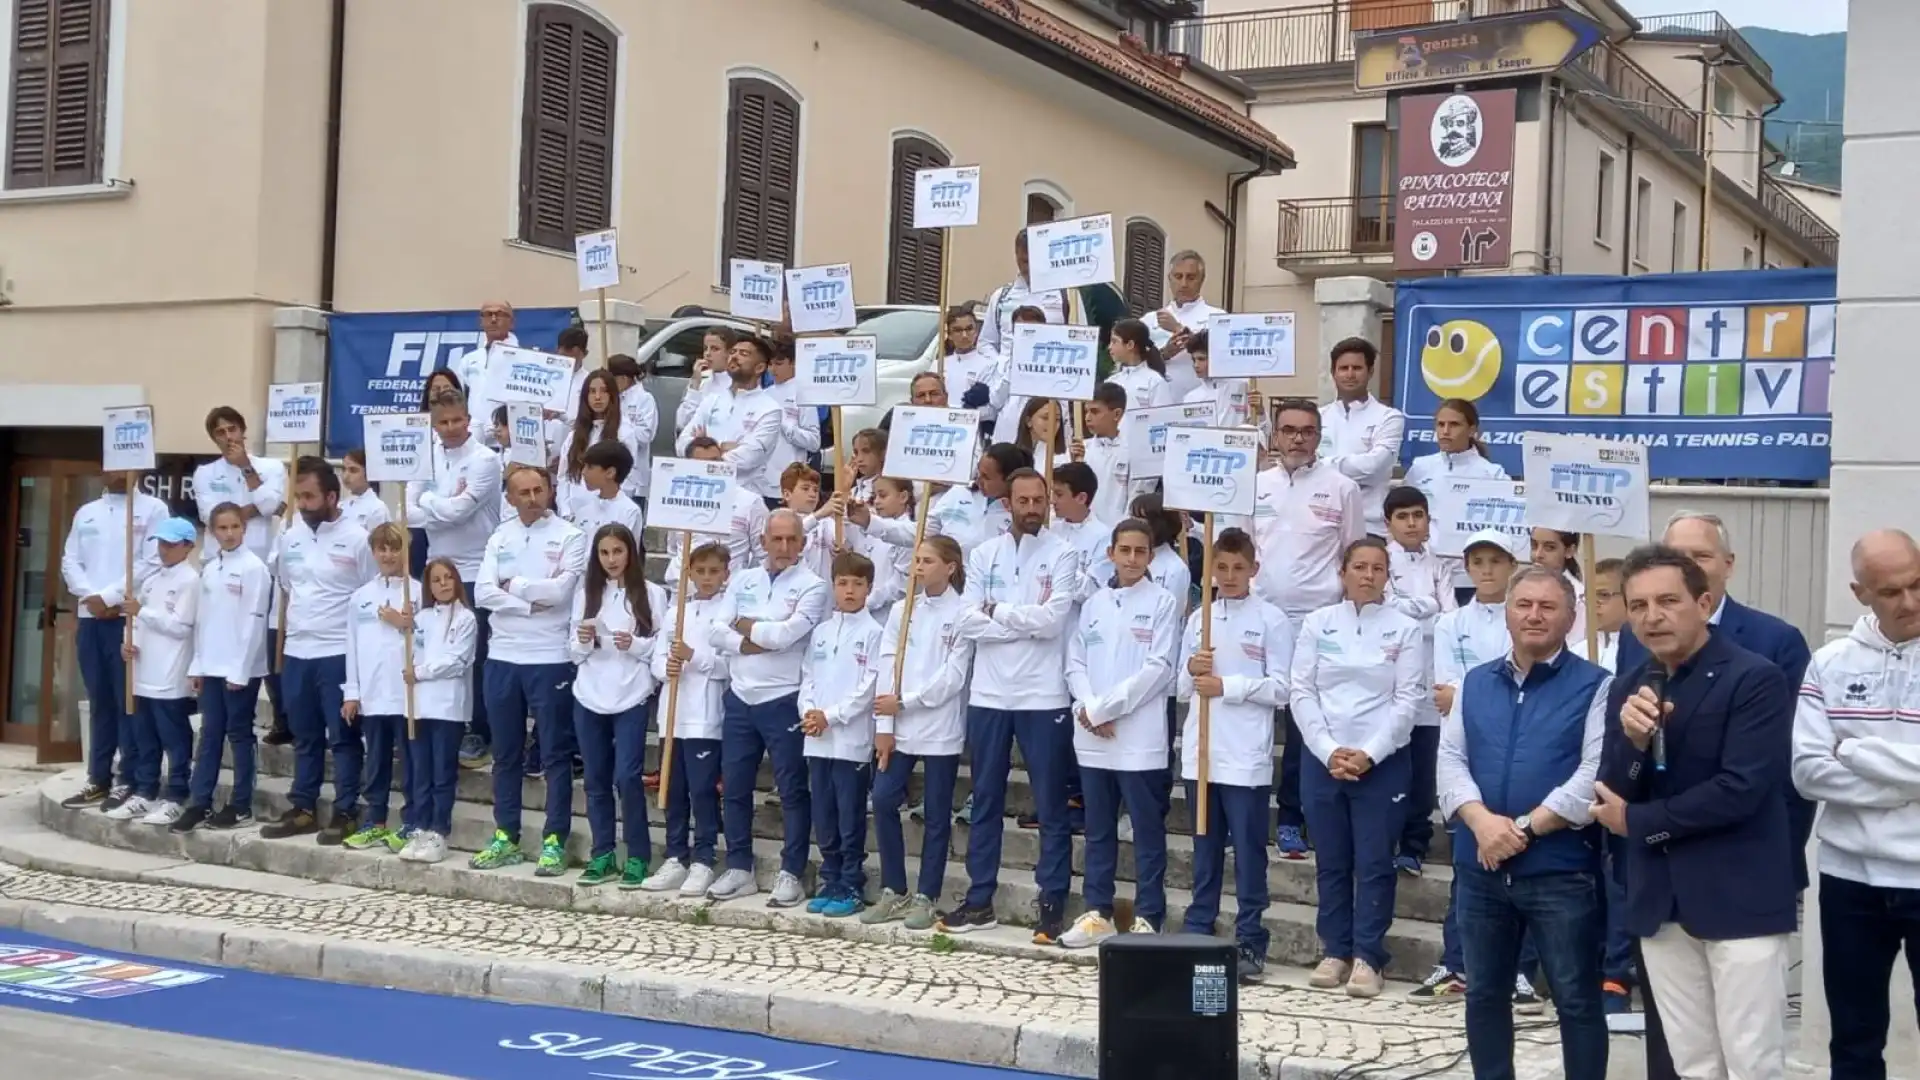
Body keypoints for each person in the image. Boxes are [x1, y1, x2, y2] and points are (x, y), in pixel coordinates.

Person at [1593, 545, 1797, 1080]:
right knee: (1693, 1064)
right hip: (1660, 901)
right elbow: (1612, 792)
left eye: (1667, 601)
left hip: (1739, 898)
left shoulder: (1755, 678)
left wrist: (1638, 823)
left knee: (1752, 1062)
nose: (1651, 617)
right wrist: (1634, 745)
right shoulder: (1628, 685)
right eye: (1637, 605)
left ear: (1703, 602)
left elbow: (1741, 789)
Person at [1440, 566, 1612, 1080]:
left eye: (1547, 606)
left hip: (1560, 871)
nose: (1534, 615)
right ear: (1507, 613)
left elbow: (1592, 773)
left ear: (1571, 616)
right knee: (1485, 995)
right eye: (1523, 605)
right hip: (1480, 869)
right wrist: (1481, 823)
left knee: (1576, 999)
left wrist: (1522, 829)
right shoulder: (1474, 683)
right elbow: (1450, 760)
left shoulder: (1597, 686)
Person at [1793, 528, 1920, 1080]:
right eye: (1891, 591)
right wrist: (1907, 778)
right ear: (1859, 592)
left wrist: (1857, 751)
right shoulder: (1830, 663)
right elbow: (1807, 772)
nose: (1909, 602)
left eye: (1918, 585)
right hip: (1850, 878)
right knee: (1853, 1040)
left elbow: (1835, 762)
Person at [939, 468, 1079, 942]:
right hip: (990, 695)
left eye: (1040, 499)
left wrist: (996, 612)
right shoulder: (984, 554)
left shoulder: (1063, 553)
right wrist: (1017, 621)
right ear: (1009, 505)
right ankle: (980, 899)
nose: (1033, 508)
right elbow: (965, 620)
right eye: (1023, 500)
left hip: (1044, 695)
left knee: (1051, 806)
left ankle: (1052, 900)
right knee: (986, 800)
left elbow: (1055, 621)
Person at [1289, 536, 1424, 998]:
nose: (1368, 575)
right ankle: (1335, 949)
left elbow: (1408, 699)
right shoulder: (1317, 623)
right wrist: (1329, 750)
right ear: (1342, 571)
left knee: (1373, 861)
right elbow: (1301, 691)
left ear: (1388, 575)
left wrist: (1369, 752)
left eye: (1378, 568)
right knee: (1330, 859)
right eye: (1359, 567)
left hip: (1381, 763)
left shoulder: (1403, 628)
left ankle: (1369, 955)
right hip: (1323, 759)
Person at [1414, 529, 1539, 1007]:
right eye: (1477, 562)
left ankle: (1521, 970)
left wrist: (1468, 697)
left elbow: (1517, 682)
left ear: (1511, 566)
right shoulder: (1450, 623)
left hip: (1519, 751)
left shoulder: (1521, 618)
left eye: (1495, 561)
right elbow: (1446, 692)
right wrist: (1469, 698)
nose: (1486, 571)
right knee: (1468, 864)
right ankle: (1456, 962)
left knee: (1522, 861)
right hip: (1465, 752)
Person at [1250, 398, 1365, 859]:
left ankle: (1293, 817)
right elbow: (1236, 545)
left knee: (1304, 723)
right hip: (1259, 617)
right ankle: (1248, 815)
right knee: (1253, 716)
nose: (1298, 438)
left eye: (1307, 431)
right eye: (1289, 430)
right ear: (1275, 435)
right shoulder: (1253, 485)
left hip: (1317, 620)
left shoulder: (1342, 488)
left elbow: (1352, 553)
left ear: (1320, 436)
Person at [1177, 527, 1293, 983]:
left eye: (1237, 568)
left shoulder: (1271, 619)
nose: (1228, 576)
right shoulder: (1199, 618)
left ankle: (1250, 937)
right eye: (1220, 568)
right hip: (1202, 752)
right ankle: (1199, 924)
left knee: (1248, 851)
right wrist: (1192, 669)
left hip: (1245, 754)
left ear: (1253, 570)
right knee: (1204, 845)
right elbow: (1182, 689)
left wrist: (1230, 686)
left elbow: (1281, 689)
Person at [1059, 518, 1179, 948]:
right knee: (1098, 829)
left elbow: (1158, 668)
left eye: (1140, 552)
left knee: (1147, 830)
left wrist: (1104, 707)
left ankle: (1149, 914)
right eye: (1124, 550)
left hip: (1138, 737)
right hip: (1092, 736)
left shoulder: (1162, 602)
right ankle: (1098, 911)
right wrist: (1086, 707)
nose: (1131, 559)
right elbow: (1075, 661)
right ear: (1110, 553)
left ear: (1151, 556)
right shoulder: (1094, 605)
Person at [707, 510, 829, 905]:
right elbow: (715, 630)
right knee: (736, 787)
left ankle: (791, 871)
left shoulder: (813, 586)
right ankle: (739, 867)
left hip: (784, 698)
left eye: (792, 540)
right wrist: (754, 637)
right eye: (776, 540)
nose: (784, 548)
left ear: (803, 542)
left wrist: (744, 627)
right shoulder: (743, 579)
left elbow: (789, 635)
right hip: (741, 696)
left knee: (793, 789)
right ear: (762, 542)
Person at [472, 466, 588, 875]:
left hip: (550, 656)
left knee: (555, 755)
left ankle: (554, 841)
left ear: (551, 491)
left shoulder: (570, 536)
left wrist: (513, 585)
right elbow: (481, 592)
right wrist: (527, 600)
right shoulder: (499, 535)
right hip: (503, 657)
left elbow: (561, 593)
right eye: (523, 492)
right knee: (505, 755)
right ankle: (506, 835)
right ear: (510, 497)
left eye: (539, 489)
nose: (533, 497)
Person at [261, 457, 378, 842]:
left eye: (310, 496)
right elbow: (287, 584)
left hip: (338, 652)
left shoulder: (358, 537)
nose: (304, 503)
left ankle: (346, 809)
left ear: (331, 495)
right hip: (297, 650)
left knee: (342, 738)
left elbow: (369, 592)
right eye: (298, 497)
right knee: (304, 734)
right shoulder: (290, 537)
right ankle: (304, 806)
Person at [866, 535, 974, 929]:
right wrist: (884, 724)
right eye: (916, 560)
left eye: (928, 560)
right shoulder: (901, 609)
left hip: (939, 725)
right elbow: (886, 663)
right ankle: (895, 888)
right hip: (899, 723)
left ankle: (928, 894)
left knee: (937, 812)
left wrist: (907, 702)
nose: (919, 567)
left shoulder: (964, 611)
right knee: (882, 797)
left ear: (950, 567)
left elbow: (953, 677)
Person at [57, 471, 168, 813]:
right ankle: (98, 777)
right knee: (100, 700)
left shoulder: (153, 509)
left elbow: (149, 562)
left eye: (126, 465)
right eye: (112, 464)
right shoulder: (87, 512)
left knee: (128, 702)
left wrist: (109, 597)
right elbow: (69, 560)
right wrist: (91, 596)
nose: (118, 472)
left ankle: (129, 779)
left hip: (127, 617)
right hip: (91, 619)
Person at [405, 392, 503, 769]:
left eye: (456, 421)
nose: (450, 429)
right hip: (436, 566)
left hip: (477, 570)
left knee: (474, 657)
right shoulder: (425, 455)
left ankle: (479, 730)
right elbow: (410, 513)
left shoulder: (485, 460)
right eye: (442, 422)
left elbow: (461, 513)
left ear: (468, 418)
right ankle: (440, 720)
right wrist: (437, 504)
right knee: (434, 649)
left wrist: (429, 499)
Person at [570, 523, 666, 888]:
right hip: (589, 695)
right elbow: (573, 652)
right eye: (604, 553)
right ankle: (603, 852)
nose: (611, 560)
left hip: (631, 695)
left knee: (628, 776)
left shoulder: (652, 594)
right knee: (595, 778)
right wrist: (583, 641)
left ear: (631, 552)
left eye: (618, 551)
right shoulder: (586, 594)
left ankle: (638, 855)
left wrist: (635, 645)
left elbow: (659, 646)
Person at [190, 407, 290, 745]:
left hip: (261, 561)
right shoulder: (205, 473)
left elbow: (276, 503)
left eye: (233, 429)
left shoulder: (270, 467)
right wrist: (256, 509)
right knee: (223, 635)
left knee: (265, 636)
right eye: (220, 432)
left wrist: (247, 470)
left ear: (244, 430)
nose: (229, 437)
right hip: (219, 565)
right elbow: (209, 516)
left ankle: (281, 716)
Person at [641, 540, 732, 896]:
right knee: (673, 788)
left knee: (702, 790)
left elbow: (730, 666)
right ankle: (676, 854)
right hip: (673, 714)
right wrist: (668, 666)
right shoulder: (678, 609)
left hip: (705, 715)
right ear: (689, 573)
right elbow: (656, 657)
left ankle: (704, 858)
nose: (706, 578)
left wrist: (696, 658)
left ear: (726, 574)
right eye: (700, 571)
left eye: (714, 572)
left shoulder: (727, 612)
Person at [175, 503, 270, 833]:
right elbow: (204, 621)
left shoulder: (254, 568)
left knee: (240, 735)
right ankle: (200, 802)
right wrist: (197, 664)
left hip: (239, 668)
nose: (229, 534)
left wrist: (240, 669)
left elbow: (254, 621)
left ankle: (241, 804)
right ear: (212, 532)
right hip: (212, 665)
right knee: (210, 734)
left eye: (234, 527)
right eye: (222, 528)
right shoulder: (211, 568)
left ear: (243, 528)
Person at [799, 551, 884, 918]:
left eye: (857, 584)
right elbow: (808, 678)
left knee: (849, 815)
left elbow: (868, 688)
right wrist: (809, 713)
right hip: (817, 738)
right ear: (833, 586)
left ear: (869, 588)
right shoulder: (820, 632)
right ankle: (830, 876)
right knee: (824, 813)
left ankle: (851, 882)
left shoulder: (874, 633)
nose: (849, 591)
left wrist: (830, 716)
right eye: (843, 583)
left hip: (851, 741)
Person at [1381, 486, 1456, 878]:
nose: (1411, 523)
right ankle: (1384, 841)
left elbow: (1449, 619)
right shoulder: (1380, 562)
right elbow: (1389, 614)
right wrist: (1427, 607)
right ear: (1388, 523)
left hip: (1429, 683)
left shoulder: (1440, 565)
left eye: (1418, 515)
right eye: (1403, 516)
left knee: (1424, 771)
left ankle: (1414, 845)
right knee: (1390, 767)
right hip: (1390, 684)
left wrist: (1418, 611)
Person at [112, 517, 201, 826]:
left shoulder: (190, 581)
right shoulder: (151, 580)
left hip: (170, 673)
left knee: (174, 738)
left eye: (171, 544)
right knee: (144, 736)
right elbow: (134, 621)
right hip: (142, 671)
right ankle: (145, 790)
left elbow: (180, 626)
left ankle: (177, 794)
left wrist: (143, 612)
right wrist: (128, 642)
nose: (164, 550)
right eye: (161, 544)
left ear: (187, 547)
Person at [339, 524, 419, 853]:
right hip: (373, 694)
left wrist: (405, 624)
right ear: (373, 552)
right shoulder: (360, 597)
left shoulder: (417, 593)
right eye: (382, 549)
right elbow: (352, 646)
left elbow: (428, 637)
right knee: (376, 759)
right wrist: (352, 693)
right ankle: (375, 819)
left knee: (411, 760)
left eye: (395, 548)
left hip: (405, 695)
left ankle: (412, 819)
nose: (388, 555)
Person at [399, 557, 478, 865]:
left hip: (447, 706)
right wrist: (404, 626)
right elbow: (411, 650)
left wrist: (421, 672)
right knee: (421, 771)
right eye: (436, 580)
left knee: (443, 772)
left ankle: (439, 830)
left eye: (448, 578)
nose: (443, 584)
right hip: (419, 706)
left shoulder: (466, 618)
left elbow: (457, 661)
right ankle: (420, 825)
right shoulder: (422, 617)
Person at [1400, 398, 1507, 600]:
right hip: (1423, 574)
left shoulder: (1492, 474)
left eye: (1454, 424)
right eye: (1440, 425)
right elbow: (1400, 515)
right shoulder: (1421, 467)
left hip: (1468, 579)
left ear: (1472, 429)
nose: (1445, 431)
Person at [676, 332, 782, 502]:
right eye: (733, 352)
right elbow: (682, 442)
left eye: (744, 354)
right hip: (700, 492)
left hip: (741, 498)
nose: (735, 357)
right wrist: (723, 449)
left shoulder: (770, 409)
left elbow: (749, 457)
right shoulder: (712, 400)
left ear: (760, 368)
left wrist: (704, 450)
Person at [1318, 338, 1405, 539]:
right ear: (1333, 373)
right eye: (1343, 368)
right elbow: (1303, 467)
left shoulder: (1389, 417)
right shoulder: (1318, 416)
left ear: (1370, 371)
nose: (1350, 374)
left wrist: (1322, 465)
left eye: (1357, 368)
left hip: (1369, 528)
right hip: (1322, 525)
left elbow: (1374, 467)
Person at [663, 436, 767, 590]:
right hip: (682, 593)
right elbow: (673, 547)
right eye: (703, 464)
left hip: (728, 595)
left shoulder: (750, 502)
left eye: (715, 462)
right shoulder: (677, 499)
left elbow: (763, 554)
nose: (710, 468)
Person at [554, 369, 642, 518]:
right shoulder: (574, 436)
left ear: (612, 396)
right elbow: (564, 477)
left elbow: (628, 478)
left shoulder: (624, 433)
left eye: (603, 391)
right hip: (574, 516)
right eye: (592, 392)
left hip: (608, 516)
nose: (598, 397)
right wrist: (565, 511)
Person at [927, 442, 1025, 556]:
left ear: (1009, 479)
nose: (978, 481)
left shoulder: (1021, 510)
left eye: (986, 477)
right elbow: (925, 529)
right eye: (978, 473)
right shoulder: (960, 492)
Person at [979, 229, 1065, 358]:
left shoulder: (1066, 296)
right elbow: (985, 343)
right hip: (1008, 377)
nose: (1028, 267)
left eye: (1033, 261)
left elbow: (1082, 340)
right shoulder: (1000, 297)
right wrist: (1001, 366)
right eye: (1024, 261)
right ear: (1016, 256)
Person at [1149, 249, 1222, 402]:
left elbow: (1223, 358)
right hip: (1159, 404)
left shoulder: (1218, 318)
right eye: (1178, 276)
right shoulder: (1149, 320)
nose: (1183, 283)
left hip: (1202, 404)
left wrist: (1178, 329)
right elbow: (1136, 364)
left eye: (1191, 277)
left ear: (1201, 279)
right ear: (1169, 279)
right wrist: (1163, 354)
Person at [762, 337, 823, 502]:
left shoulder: (804, 394)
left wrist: (785, 425)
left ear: (793, 363)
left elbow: (814, 442)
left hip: (790, 482)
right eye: (770, 364)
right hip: (762, 481)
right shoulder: (765, 394)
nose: (773, 369)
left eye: (779, 364)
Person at [1070, 382, 1135, 528]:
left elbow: (1134, 496)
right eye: (1086, 411)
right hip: (1085, 530)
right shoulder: (1080, 450)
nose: (1087, 418)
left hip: (1118, 531)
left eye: (1095, 411)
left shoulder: (1132, 451)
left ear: (1117, 414)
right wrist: (1074, 466)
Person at [990, 305, 1058, 447]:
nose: (1028, 335)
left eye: (1033, 330)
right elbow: (996, 401)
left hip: (1040, 437)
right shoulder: (1004, 361)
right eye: (1022, 330)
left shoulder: (1056, 363)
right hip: (1007, 434)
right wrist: (1013, 368)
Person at [457, 299, 520, 448]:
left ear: (511, 322)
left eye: (500, 314)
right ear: (481, 321)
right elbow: (459, 400)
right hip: (474, 443)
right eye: (488, 314)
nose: (493, 319)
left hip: (510, 445)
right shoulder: (469, 359)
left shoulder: (524, 359)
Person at [1182, 329, 1268, 437]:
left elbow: (1264, 432)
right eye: (1193, 360)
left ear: (1217, 358)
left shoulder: (1242, 386)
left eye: (1201, 359)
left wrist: (1260, 412)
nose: (1196, 365)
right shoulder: (1190, 398)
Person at [1046, 462, 1109, 603]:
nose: (1052, 501)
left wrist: (1062, 568)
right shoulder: (1050, 529)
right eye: (1052, 493)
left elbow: (1095, 591)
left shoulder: (1103, 537)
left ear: (1081, 498)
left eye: (1059, 494)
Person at [605, 353, 660, 510]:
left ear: (623, 378)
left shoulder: (645, 399)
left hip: (635, 477)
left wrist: (621, 424)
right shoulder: (611, 399)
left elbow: (645, 435)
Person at [562, 439, 646, 540]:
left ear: (610, 473)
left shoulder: (629, 511)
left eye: (590, 467)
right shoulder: (583, 509)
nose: (583, 472)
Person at [942, 305, 1002, 430]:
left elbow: (993, 409)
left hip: (973, 431)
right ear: (950, 334)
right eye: (958, 330)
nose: (964, 335)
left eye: (969, 329)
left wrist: (962, 415)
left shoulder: (990, 365)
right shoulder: (939, 365)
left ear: (976, 331)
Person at [1528, 528, 1589, 647]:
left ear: (1570, 551)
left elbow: (1575, 645)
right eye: (1534, 545)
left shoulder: (1579, 598)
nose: (1538, 555)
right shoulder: (1521, 588)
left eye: (1549, 547)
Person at [675, 327, 736, 435]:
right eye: (705, 348)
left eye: (715, 349)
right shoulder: (701, 379)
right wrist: (694, 386)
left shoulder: (736, 383)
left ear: (730, 353)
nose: (707, 354)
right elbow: (682, 422)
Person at [1104, 318, 1169, 419]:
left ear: (1130, 345)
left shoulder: (1155, 382)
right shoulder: (1111, 381)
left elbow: (1163, 420)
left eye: (1114, 342)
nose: (1109, 347)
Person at [1574, 558, 1625, 672]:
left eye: (1603, 595)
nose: (1593, 603)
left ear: (1628, 597)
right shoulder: (1576, 654)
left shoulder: (1639, 655)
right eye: (1589, 595)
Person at [339, 449, 392, 534]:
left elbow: (378, 545)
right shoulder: (341, 505)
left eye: (353, 470)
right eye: (344, 469)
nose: (346, 476)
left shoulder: (377, 509)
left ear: (368, 473)